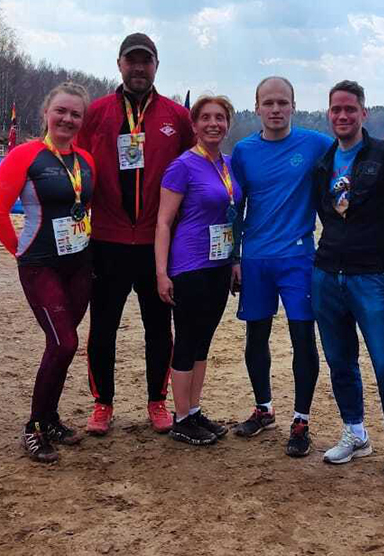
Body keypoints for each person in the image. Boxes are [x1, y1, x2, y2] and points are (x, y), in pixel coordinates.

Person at [231, 76, 384, 458]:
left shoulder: (315, 144)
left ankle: (301, 420)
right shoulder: (243, 151)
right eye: (268, 103)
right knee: (255, 337)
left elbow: (357, 149)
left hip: (300, 258)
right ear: (257, 107)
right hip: (256, 258)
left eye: (282, 102)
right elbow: (236, 203)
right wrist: (234, 256)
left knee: (304, 339)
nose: (276, 109)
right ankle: (264, 408)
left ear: (294, 106)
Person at [77, 33, 194, 436]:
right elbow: (76, 165)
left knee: (159, 328)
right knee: (102, 327)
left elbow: (193, 168)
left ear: (157, 66)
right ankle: (103, 404)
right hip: (106, 240)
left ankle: (157, 402)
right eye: (132, 61)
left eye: (146, 61)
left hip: (155, 245)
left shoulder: (178, 117)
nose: (139, 68)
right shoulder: (96, 113)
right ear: (119, 64)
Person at [310, 80, 384, 479]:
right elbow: (324, 213)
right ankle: (355, 432)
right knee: (339, 360)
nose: (343, 116)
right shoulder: (323, 161)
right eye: (336, 109)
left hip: (373, 276)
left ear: (363, 113)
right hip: (326, 274)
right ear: (329, 113)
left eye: (350, 109)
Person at [0, 82, 95, 463]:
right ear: (46, 113)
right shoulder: (25, 155)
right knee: (64, 343)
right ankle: (34, 427)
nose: (67, 119)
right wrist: (21, 252)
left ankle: (49, 419)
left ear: (82, 120)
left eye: (75, 114)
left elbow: (86, 208)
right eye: (60, 111)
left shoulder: (85, 160)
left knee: (61, 344)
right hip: (41, 266)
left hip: (79, 265)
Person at [155, 95, 242, 445]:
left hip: (219, 264)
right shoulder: (182, 166)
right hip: (189, 264)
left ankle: (193, 410)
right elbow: (163, 222)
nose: (213, 124)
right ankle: (180, 418)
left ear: (228, 124)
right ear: (194, 125)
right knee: (187, 339)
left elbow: (232, 217)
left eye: (220, 117)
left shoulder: (229, 164)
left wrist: (234, 260)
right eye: (205, 117)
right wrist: (161, 272)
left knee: (204, 340)